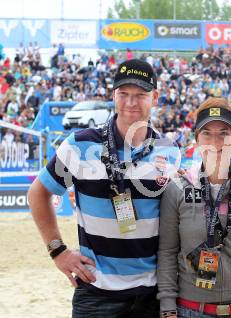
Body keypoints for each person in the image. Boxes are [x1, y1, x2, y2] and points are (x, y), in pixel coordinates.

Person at [28, 59, 180, 318]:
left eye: (140, 95)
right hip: (96, 293)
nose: (131, 102)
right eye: (124, 94)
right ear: (113, 95)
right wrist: (58, 251)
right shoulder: (81, 144)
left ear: (154, 97)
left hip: (151, 296)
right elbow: (38, 194)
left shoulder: (168, 150)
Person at [158, 97, 231, 318]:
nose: (215, 142)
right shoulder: (177, 188)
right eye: (207, 134)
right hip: (187, 310)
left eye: (223, 133)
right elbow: (167, 251)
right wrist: (167, 307)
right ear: (196, 140)